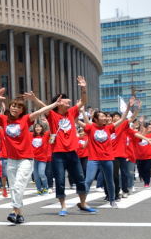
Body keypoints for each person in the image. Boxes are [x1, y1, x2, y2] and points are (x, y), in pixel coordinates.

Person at [0, 82, 62, 223]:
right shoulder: (4, 120)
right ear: (10, 107)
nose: (15, 108)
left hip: (26, 159)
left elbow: (39, 112)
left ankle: (13, 211)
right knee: (14, 187)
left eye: (19, 107)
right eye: (13, 105)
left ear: (22, 110)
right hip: (11, 160)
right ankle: (19, 215)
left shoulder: (25, 119)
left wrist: (54, 104)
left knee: (19, 185)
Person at [42, 76, 97, 216]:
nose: (70, 102)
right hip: (58, 153)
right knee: (60, 180)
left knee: (80, 178)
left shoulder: (71, 113)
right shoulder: (52, 116)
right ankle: (63, 206)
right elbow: (43, 108)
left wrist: (83, 87)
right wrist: (35, 99)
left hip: (72, 152)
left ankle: (83, 203)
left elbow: (83, 101)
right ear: (59, 103)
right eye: (66, 100)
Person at [82, 105, 131, 207]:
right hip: (94, 159)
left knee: (110, 180)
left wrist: (129, 107)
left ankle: (112, 200)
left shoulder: (109, 127)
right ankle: (83, 201)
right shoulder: (91, 127)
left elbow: (122, 119)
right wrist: (82, 111)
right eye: (102, 117)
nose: (105, 118)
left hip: (107, 158)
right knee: (88, 180)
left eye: (105, 116)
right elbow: (84, 122)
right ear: (95, 119)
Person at [31, 123, 50, 194]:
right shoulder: (31, 135)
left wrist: (47, 122)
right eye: (36, 127)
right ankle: (39, 189)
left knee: (41, 173)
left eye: (39, 127)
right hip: (34, 159)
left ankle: (45, 188)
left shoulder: (45, 135)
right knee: (36, 176)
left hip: (42, 158)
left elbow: (52, 130)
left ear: (42, 128)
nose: (38, 128)